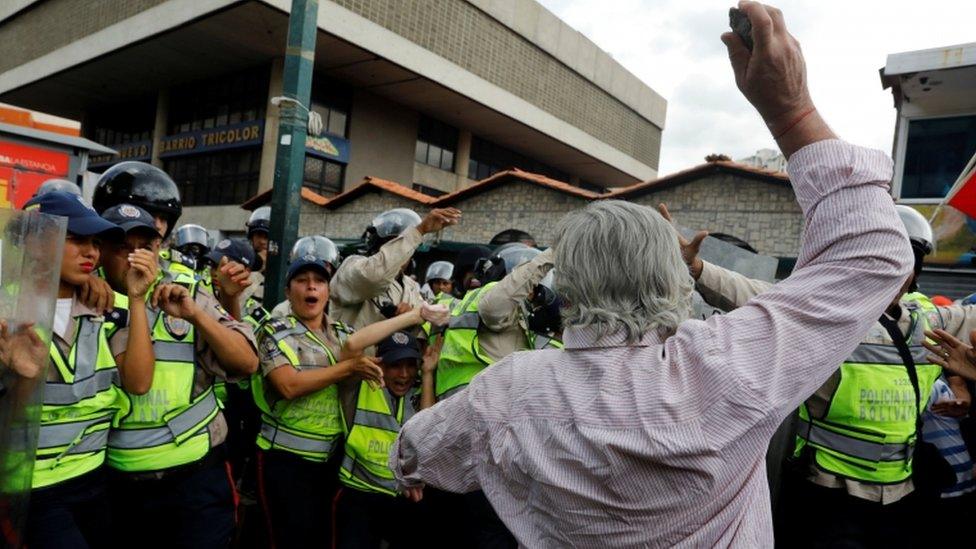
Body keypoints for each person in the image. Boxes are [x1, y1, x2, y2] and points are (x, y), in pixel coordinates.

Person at [389, 3, 916, 545]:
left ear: (563, 288)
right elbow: (872, 255)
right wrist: (792, 112)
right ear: (673, 283)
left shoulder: (508, 393)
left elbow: (412, 452)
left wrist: (413, 473)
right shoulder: (729, 366)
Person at [673, 201, 973, 545]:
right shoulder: (827, 313)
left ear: (915, 271)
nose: (891, 271)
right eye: (881, 259)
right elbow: (757, 297)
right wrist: (696, 267)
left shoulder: (928, 320)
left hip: (900, 499)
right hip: (827, 497)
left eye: (902, 261)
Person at [98, 203, 259, 549]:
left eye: (145, 247)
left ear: (159, 248)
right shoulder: (85, 294)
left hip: (196, 480)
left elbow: (246, 363)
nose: (134, 258)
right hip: (118, 485)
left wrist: (196, 315)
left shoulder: (186, 289)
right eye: (122, 248)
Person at [16, 192, 157, 548]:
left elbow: (139, 383)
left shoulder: (111, 306)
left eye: (95, 242)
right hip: (33, 486)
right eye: (76, 239)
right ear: (34, 240)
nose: (91, 252)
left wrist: (137, 299)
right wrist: (24, 377)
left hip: (95, 476)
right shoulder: (9, 308)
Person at [251, 248, 383, 548]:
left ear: (328, 291)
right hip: (285, 460)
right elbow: (289, 386)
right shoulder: (273, 331)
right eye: (302, 280)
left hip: (333, 460)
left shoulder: (343, 332)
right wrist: (347, 367)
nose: (312, 286)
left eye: (319, 281)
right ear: (288, 291)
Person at [333, 330, 443, 549]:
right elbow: (352, 345)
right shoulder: (357, 386)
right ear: (379, 364)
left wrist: (428, 373)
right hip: (360, 497)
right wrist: (413, 315)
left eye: (410, 365)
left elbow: (427, 430)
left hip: (402, 500)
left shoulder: (418, 392)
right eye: (394, 365)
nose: (403, 374)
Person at [329, 207, 460, 330]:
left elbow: (422, 329)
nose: (403, 249)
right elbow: (373, 277)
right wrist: (419, 230)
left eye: (406, 244)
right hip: (349, 353)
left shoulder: (411, 287)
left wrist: (411, 317)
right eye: (394, 244)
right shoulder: (353, 265)